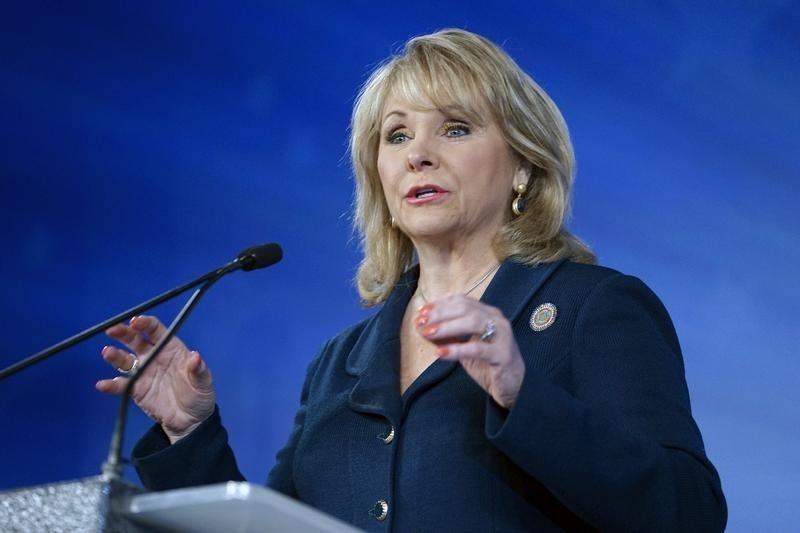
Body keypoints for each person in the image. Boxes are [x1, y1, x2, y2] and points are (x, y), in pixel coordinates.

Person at [96, 29, 727, 531]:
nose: (418, 152)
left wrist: (521, 393)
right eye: (397, 135)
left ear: (523, 169)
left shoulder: (596, 308)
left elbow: (688, 513)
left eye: (455, 127)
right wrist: (190, 433)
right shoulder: (339, 364)